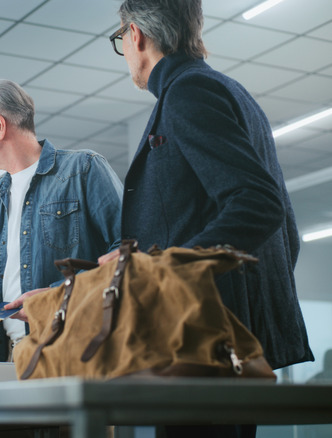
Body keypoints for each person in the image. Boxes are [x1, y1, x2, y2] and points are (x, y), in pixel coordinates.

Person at [104, 0, 314, 436]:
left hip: (203, 341)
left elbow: (258, 204)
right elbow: (284, 231)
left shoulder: (189, 92)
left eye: (120, 39)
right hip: (221, 339)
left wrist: (162, 267)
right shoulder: (231, 92)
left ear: (135, 35)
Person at [0, 79, 123, 362]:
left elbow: (127, 253)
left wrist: (54, 298)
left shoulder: (83, 170)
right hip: (10, 356)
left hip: (74, 350)